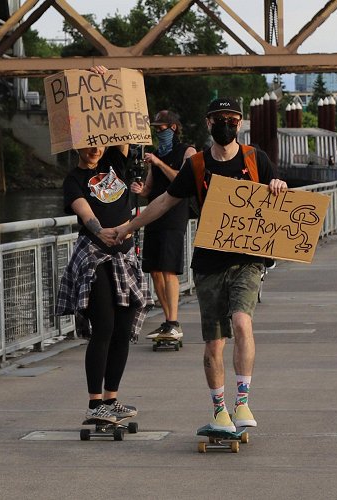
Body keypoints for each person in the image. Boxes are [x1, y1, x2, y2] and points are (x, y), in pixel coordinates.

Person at [114, 97, 288, 432]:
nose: (226, 124)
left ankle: (242, 403)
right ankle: (219, 410)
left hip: (248, 260)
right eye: (220, 118)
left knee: (242, 323)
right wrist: (127, 228)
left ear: (239, 123)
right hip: (209, 262)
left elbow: (277, 194)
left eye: (232, 119)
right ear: (209, 123)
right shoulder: (196, 166)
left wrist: (278, 184)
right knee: (215, 342)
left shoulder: (256, 159)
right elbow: (163, 201)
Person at [55, 65, 151, 424]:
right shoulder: (74, 179)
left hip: (124, 257)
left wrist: (104, 84)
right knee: (105, 326)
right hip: (95, 257)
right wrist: (101, 231)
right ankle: (95, 405)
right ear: (76, 143)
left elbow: (119, 124)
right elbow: (83, 211)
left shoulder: (115, 163)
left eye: (98, 141)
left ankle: (112, 399)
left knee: (124, 329)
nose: (94, 148)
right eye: (87, 142)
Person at [133, 110, 197, 340]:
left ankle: (174, 321)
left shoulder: (187, 151)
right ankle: (168, 320)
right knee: (155, 269)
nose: (158, 132)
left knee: (169, 268)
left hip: (174, 214)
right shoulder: (157, 154)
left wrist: (159, 163)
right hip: (153, 214)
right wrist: (140, 190)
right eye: (156, 128)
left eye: (162, 128)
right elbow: (149, 190)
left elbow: (183, 180)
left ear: (174, 128)